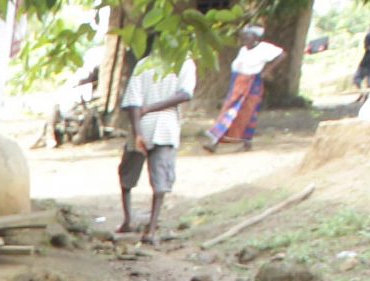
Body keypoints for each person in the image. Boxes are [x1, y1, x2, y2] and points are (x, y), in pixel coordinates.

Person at [117, 54, 196, 241]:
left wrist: (138, 133)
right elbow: (185, 94)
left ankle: (128, 220)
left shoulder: (144, 64)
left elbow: (133, 102)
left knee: (127, 175)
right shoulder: (185, 62)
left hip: (141, 124)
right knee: (160, 180)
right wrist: (152, 108)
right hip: (166, 126)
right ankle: (151, 231)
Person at [205, 24, 285, 152]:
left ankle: (246, 143)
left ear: (256, 37)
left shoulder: (264, 48)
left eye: (248, 36)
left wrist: (267, 71)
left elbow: (282, 55)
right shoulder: (243, 50)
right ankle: (215, 142)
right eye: (244, 36)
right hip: (238, 83)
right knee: (229, 111)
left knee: (248, 112)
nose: (245, 38)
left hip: (253, 83)